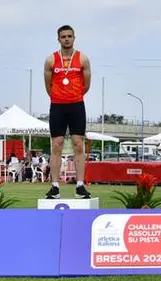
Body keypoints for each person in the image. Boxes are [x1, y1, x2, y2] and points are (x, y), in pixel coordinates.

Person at [43, 25, 92, 199]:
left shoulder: (83, 59)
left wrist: (74, 96)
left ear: (74, 38)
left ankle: (80, 186)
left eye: (69, 36)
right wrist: (59, 97)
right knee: (56, 145)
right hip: (57, 106)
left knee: (78, 144)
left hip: (77, 105)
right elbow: (48, 85)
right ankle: (55, 187)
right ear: (58, 39)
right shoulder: (50, 60)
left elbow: (86, 85)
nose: (66, 39)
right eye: (63, 36)